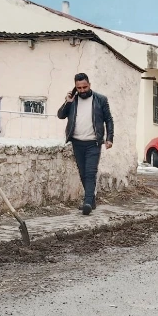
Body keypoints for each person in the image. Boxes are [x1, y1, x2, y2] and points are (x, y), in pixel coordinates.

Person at [57, 73, 114, 215]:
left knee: (90, 172)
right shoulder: (73, 100)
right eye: (79, 88)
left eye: (85, 87)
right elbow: (61, 115)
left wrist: (109, 138)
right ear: (75, 87)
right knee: (83, 172)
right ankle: (91, 200)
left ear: (89, 85)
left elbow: (108, 119)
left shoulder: (100, 99)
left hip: (93, 142)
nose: (82, 90)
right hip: (77, 142)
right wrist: (67, 101)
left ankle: (87, 202)